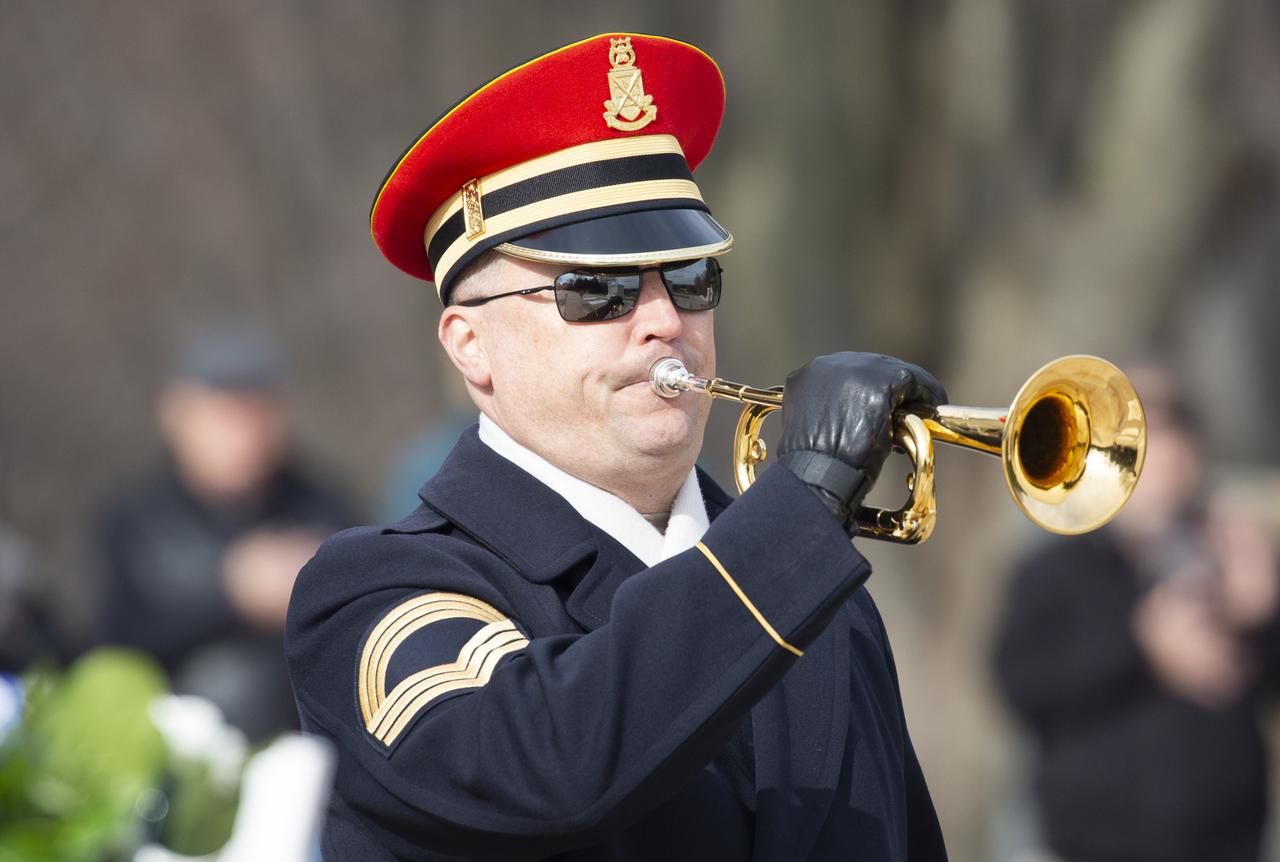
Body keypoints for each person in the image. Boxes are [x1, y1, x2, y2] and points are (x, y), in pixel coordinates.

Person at [286, 33, 949, 860]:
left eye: (690, 278)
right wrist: (802, 507)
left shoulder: (821, 593)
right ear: (469, 345)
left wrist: (796, 530)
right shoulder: (374, 590)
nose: (666, 320)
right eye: (594, 290)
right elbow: (547, 765)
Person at [992, 364, 1280, 862]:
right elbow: (1018, 682)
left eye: (1173, 425)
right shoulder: (1056, 565)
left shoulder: (1237, 551)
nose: (1161, 454)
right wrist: (1138, 647)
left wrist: (1261, 616)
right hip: (1087, 847)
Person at [97, 325, 352, 741]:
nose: (241, 436)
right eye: (223, 414)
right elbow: (117, 650)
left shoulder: (321, 505)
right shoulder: (136, 519)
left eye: (254, 414)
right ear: (176, 415)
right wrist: (232, 596)